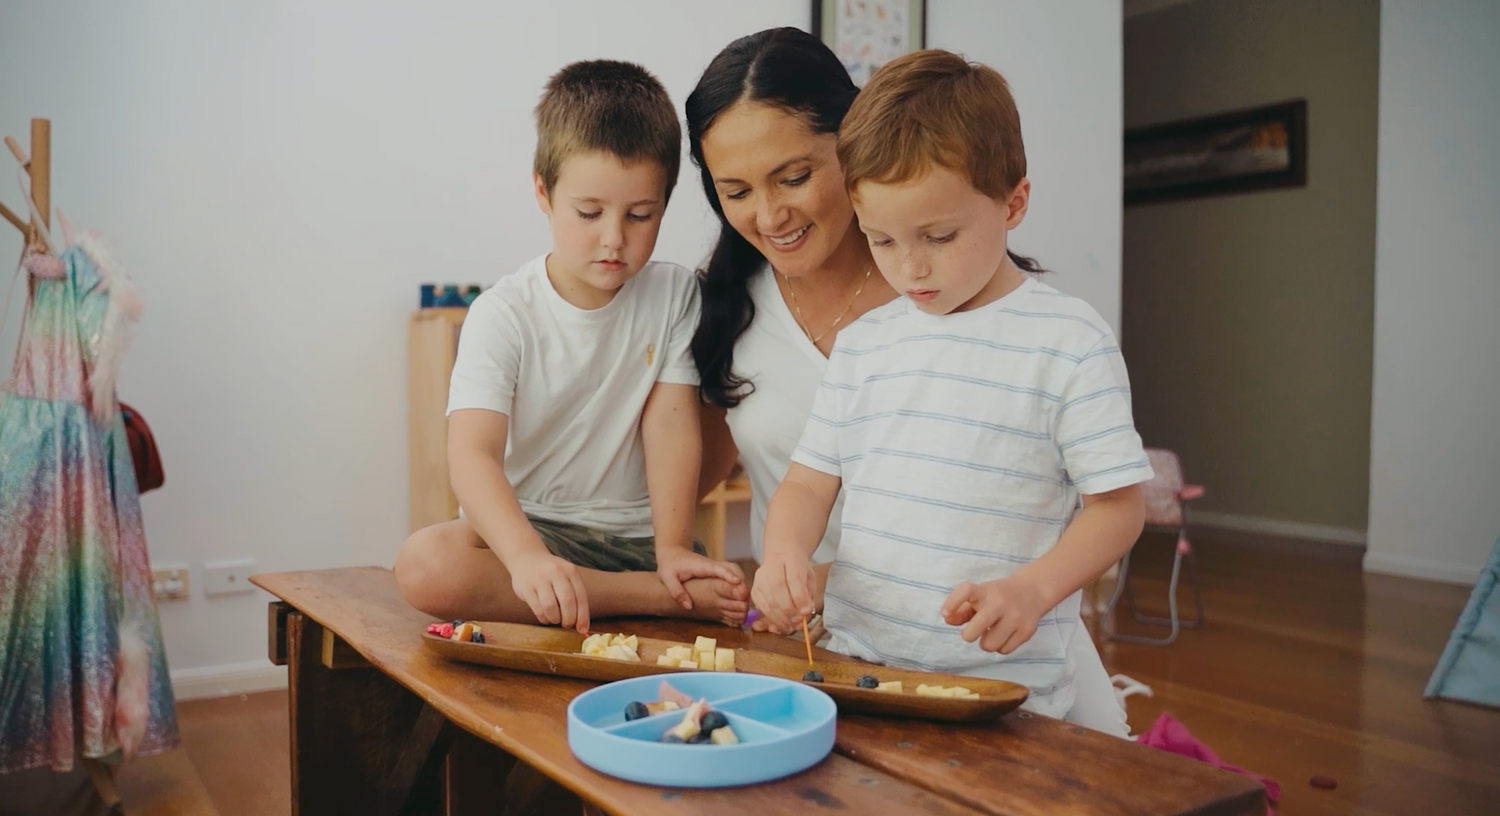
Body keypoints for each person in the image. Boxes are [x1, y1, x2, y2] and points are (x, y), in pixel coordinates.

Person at [687, 29, 1134, 736]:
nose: (910, 270)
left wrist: (1033, 589)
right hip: (857, 649)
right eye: (885, 239)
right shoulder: (850, 340)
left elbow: (1117, 503)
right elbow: (804, 483)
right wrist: (781, 558)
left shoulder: (1062, 339)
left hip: (1003, 666)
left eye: (937, 238)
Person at [394, 60, 748, 634]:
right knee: (425, 565)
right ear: (543, 189)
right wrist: (526, 557)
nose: (614, 239)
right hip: (533, 531)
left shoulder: (674, 293)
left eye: (641, 215)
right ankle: (651, 597)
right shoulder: (503, 313)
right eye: (589, 213)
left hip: (641, 534)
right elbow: (472, 454)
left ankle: (661, 579)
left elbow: (671, 426)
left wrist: (675, 547)